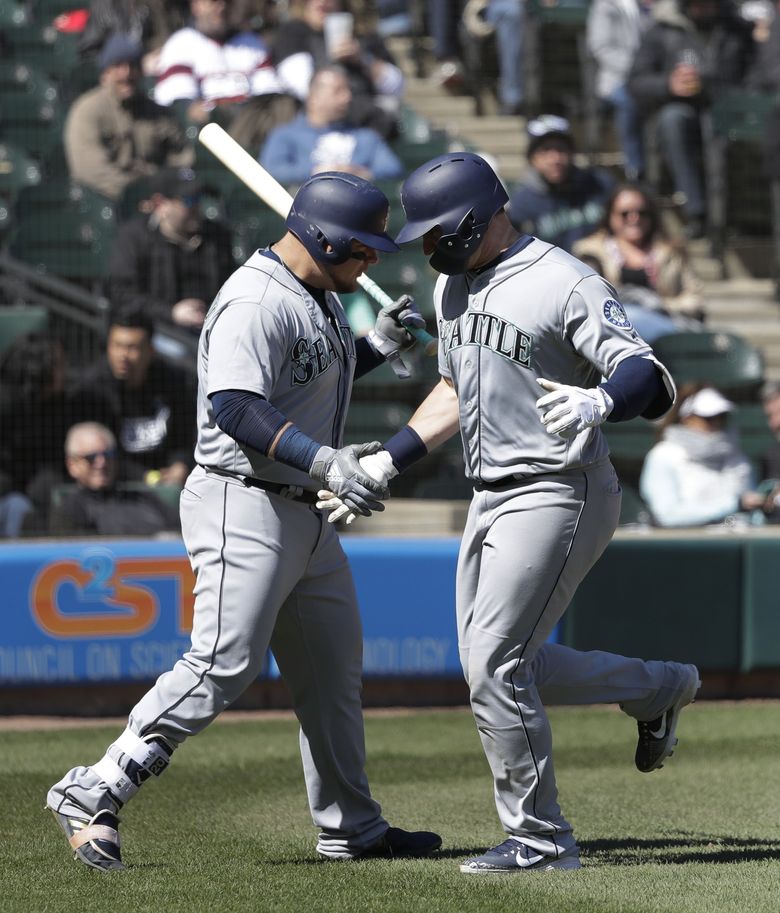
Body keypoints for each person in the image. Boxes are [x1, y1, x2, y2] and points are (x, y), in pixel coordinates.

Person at [317, 152, 700, 874]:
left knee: (496, 663)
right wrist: (387, 457)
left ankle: (540, 836)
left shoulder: (562, 278)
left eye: (436, 233)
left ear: (475, 221)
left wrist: (601, 400)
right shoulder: (452, 286)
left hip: (561, 486)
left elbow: (647, 373)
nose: (428, 247)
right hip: (489, 489)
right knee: (496, 664)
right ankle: (657, 686)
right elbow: (455, 391)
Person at [46, 172, 441, 871]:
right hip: (244, 496)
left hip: (302, 507)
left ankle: (351, 825)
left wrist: (372, 348)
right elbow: (235, 403)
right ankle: (94, 786)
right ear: (321, 238)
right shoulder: (255, 298)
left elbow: (310, 370)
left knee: (331, 671)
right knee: (223, 662)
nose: (372, 260)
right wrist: (323, 460)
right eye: (362, 248)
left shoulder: (313, 293)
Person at [627, 0, 755, 239]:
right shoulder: (662, 30)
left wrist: (719, 90)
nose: (704, 7)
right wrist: (668, 84)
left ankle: (731, 217)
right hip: (682, 113)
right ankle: (697, 212)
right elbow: (636, 82)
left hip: (729, 112)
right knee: (673, 120)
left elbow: (756, 76)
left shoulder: (738, 29)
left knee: (724, 133)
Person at [70, 306, 197, 489]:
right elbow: (97, 455)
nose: (123, 356)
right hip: (116, 487)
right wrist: (146, 477)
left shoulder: (175, 383)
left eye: (132, 348)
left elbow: (185, 436)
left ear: (151, 351)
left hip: (171, 484)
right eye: (117, 346)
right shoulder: (92, 391)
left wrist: (180, 465)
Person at [63, 33, 195, 201]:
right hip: (106, 202)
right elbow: (91, 172)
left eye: (133, 66)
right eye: (118, 66)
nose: (127, 74)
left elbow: (182, 156)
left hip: (158, 201)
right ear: (105, 74)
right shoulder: (87, 110)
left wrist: (166, 187)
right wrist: (139, 194)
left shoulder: (157, 112)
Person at [153, 0, 298, 152]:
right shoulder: (183, 41)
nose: (221, 7)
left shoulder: (250, 42)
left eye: (226, 2)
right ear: (196, 6)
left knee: (284, 106)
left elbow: (269, 92)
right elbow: (181, 101)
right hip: (211, 128)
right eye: (213, 2)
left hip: (253, 119)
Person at [108, 167, 235, 332]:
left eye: (199, 199)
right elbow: (122, 295)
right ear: (161, 204)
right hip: (159, 330)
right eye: (189, 201)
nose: (197, 207)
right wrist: (171, 313)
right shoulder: (135, 238)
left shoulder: (216, 235)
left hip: (213, 326)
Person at [573, 181, 705, 338]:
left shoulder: (670, 252)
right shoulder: (589, 251)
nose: (634, 218)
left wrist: (661, 305)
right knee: (631, 316)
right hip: (614, 332)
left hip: (665, 327)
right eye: (625, 213)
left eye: (642, 213)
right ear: (610, 216)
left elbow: (695, 299)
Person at [271, 0, 404, 140]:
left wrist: (362, 59)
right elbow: (301, 86)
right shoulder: (293, 32)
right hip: (316, 126)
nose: (322, 2)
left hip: (369, 125)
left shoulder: (363, 36)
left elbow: (396, 87)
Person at [639, 383, 769, 526]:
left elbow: (752, 512)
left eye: (721, 416)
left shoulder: (737, 456)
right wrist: (734, 504)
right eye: (708, 418)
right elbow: (668, 515)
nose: (717, 423)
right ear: (687, 418)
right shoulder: (662, 456)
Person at [0, 333, 85, 537]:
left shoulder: (61, 402)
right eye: (59, 364)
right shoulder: (5, 402)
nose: (64, 371)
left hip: (40, 482)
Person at [260, 66, 403, 184]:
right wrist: (316, 172)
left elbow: (391, 168)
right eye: (338, 91)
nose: (348, 97)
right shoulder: (285, 135)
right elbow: (272, 171)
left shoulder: (366, 136)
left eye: (348, 91)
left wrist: (360, 173)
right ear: (314, 97)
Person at [50, 422, 181, 536]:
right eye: (91, 457)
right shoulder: (70, 511)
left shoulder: (142, 498)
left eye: (108, 455)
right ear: (72, 465)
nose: (101, 462)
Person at [507, 114, 615, 253]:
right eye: (546, 150)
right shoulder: (522, 203)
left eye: (561, 149)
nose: (555, 158)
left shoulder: (599, 184)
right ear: (532, 158)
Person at [586, 0, 654, 178]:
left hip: (655, 80)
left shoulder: (663, 8)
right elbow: (601, 48)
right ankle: (635, 170)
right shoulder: (607, 5)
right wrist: (637, 69)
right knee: (628, 102)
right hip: (618, 80)